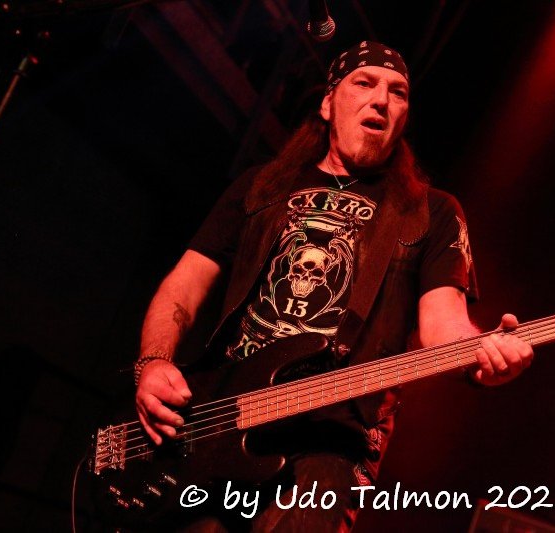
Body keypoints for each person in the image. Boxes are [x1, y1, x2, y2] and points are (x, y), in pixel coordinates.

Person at [133, 41, 534, 531]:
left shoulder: (431, 212)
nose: (382, 100)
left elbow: (443, 327)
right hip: (217, 423)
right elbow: (183, 287)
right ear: (328, 103)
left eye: (398, 92)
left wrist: (482, 354)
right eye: (364, 83)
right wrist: (153, 363)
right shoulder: (262, 188)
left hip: (334, 439)